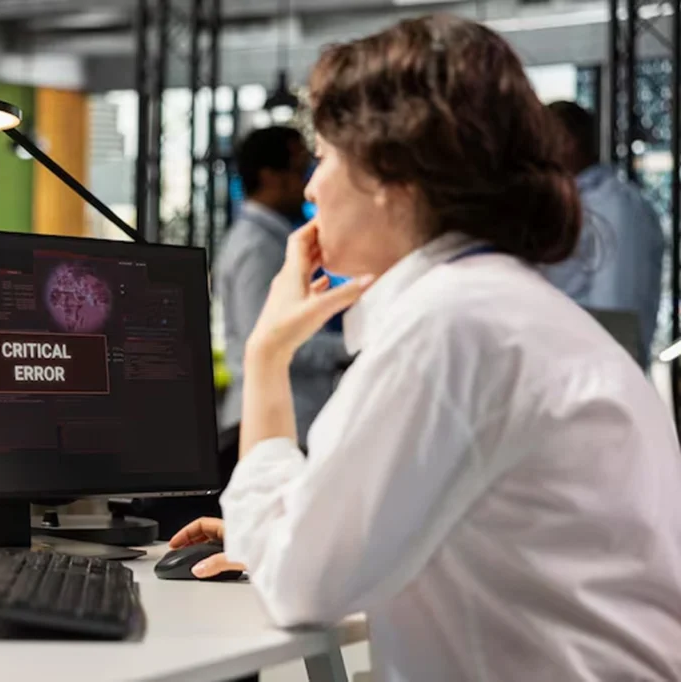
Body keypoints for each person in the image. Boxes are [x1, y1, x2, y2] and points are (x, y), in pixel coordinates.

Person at [172, 15, 681, 681]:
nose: (311, 188)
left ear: (393, 175)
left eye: (325, 157)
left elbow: (299, 585)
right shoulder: (508, 308)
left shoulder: (449, 326)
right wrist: (285, 528)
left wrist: (268, 355)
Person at [215, 126, 349, 444]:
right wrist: (350, 346)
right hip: (274, 421)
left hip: (289, 417)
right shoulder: (256, 248)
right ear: (269, 176)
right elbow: (268, 338)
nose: (308, 186)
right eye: (301, 171)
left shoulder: (272, 238)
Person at [543, 100, 664, 369]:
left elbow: (618, 313)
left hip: (593, 379)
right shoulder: (573, 205)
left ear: (567, 142)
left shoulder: (616, 207)